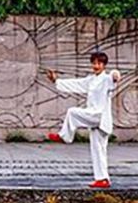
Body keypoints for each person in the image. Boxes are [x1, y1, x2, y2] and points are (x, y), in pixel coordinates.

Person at [46, 52, 121, 189]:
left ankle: (65, 136)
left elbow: (114, 78)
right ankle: (102, 179)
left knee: (72, 112)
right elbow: (76, 84)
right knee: (98, 149)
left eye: (99, 63)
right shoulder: (91, 80)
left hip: (99, 115)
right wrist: (56, 81)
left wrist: (116, 74)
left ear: (104, 65)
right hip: (93, 116)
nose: (96, 66)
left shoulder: (106, 79)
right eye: (94, 63)